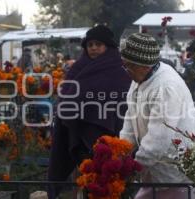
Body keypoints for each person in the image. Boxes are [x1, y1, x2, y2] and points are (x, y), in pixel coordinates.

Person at [47, 25, 131, 199]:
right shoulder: (78, 67)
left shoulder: (119, 69)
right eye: (90, 44)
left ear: (108, 46)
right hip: (79, 133)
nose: (93, 48)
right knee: (89, 181)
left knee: (110, 183)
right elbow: (68, 93)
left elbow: (122, 101)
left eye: (98, 44)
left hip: (110, 135)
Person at [119, 33, 195, 199]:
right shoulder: (139, 78)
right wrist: (120, 151)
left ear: (145, 66)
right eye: (125, 66)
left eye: (129, 67)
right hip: (154, 171)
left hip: (173, 174)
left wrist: (131, 167)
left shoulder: (166, 86)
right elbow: (130, 118)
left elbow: (159, 139)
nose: (126, 71)